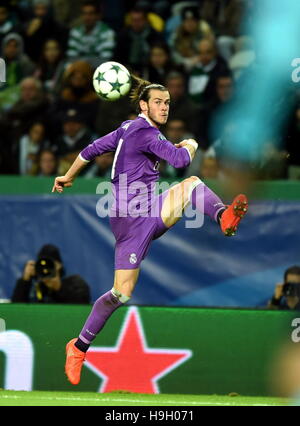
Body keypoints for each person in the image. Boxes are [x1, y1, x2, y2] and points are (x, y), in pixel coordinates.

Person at [52, 75, 248, 385]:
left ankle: (224, 216)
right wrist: (192, 143)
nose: (164, 107)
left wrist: (68, 175)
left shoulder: (127, 128)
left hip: (146, 208)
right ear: (144, 105)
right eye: (158, 102)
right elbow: (182, 159)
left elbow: (90, 149)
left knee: (191, 186)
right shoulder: (143, 132)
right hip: (130, 218)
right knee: (121, 293)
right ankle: (77, 347)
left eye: (167, 102)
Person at [12, 244, 90, 304]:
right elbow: (17, 312)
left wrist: (57, 287)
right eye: (42, 266)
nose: (46, 269)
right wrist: (25, 281)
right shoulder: (37, 289)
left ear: (59, 265)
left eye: (50, 264)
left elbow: (80, 307)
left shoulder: (75, 284)